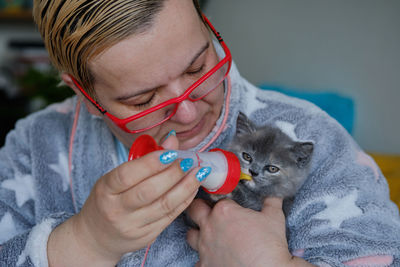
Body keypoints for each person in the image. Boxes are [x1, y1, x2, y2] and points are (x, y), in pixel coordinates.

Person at [1, 0, 399, 266]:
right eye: (142, 100)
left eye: (198, 67)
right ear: (84, 94)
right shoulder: (34, 145)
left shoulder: (310, 141)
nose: (189, 113)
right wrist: (85, 241)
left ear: (207, 27)